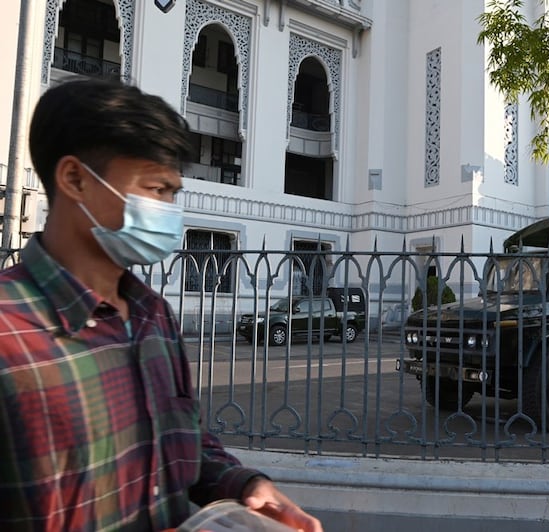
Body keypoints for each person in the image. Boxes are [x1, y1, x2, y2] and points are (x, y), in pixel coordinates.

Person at [0, 78, 323, 532]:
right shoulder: (9, 333)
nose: (170, 210)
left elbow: (182, 437)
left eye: (174, 193)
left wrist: (241, 483)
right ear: (75, 179)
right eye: (156, 189)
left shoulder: (154, 315)